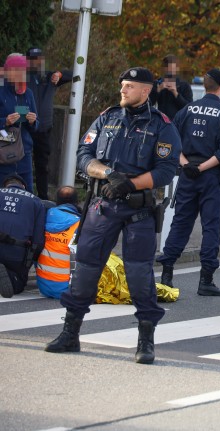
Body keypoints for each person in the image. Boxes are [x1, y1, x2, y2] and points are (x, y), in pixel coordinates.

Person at [44, 67, 181, 365]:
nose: (123, 90)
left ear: (145, 91)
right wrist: (108, 173)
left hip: (138, 210)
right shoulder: (107, 117)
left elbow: (166, 170)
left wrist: (130, 183)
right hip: (101, 206)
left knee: (139, 275)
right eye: (122, 85)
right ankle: (70, 333)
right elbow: (83, 154)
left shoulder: (162, 126)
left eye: (129, 86)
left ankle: (146, 341)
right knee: (86, 270)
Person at [156, 68, 220, 297]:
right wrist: (201, 168)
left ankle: (167, 275)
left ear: (205, 86)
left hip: (186, 175)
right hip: (210, 176)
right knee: (211, 226)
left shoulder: (187, 110)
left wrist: (186, 165)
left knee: (180, 223)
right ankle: (206, 280)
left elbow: (172, 142)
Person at [26, 47, 72, 200]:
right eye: (33, 59)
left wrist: (59, 74)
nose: (36, 62)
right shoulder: (21, 76)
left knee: (42, 166)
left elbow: (73, 74)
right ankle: (24, 195)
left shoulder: (50, 76)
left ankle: (43, 198)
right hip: (25, 128)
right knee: (21, 163)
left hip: (44, 129)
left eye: (39, 59)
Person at [0, 174, 46, 298]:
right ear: (23, 186)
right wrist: (31, 260)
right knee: (18, 285)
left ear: (6, 185)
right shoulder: (36, 201)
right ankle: (10, 275)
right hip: (16, 253)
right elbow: (38, 239)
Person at [0, 54, 39, 193]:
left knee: (27, 194)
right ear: (7, 71)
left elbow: (36, 126)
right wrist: (5, 121)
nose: (19, 74)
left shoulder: (27, 93)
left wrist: (33, 121)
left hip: (24, 153)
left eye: (22, 70)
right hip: (3, 152)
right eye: (15, 70)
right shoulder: (1, 91)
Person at [36, 186, 81, 299]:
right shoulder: (80, 224)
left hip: (43, 287)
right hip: (67, 289)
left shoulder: (43, 217)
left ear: (57, 201)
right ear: (77, 202)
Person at [149, 54, 193, 120]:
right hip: (161, 122)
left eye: (173, 70)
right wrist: (158, 90)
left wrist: (176, 93)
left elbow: (189, 108)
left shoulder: (184, 85)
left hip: (178, 123)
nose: (170, 74)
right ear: (163, 69)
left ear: (177, 69)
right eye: (168, 71)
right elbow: (148, 104)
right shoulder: (157, 83)